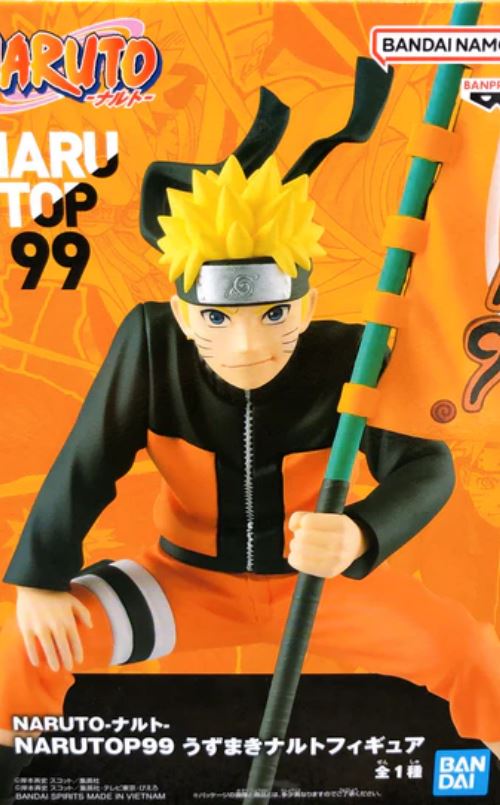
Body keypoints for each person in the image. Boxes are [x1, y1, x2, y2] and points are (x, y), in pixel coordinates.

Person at [1, 72, 499, 802]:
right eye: (216, 318)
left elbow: (427, 466)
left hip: (323, 589)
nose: (245, 345)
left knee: (475, 652)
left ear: (308, 304)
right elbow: (87, 459)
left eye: (272, 315)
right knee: (22, 643)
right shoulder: (149, 341)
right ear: (182, 312)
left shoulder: (354, 354)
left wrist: (360, 532)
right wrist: (40, 577)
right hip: (181, 583)